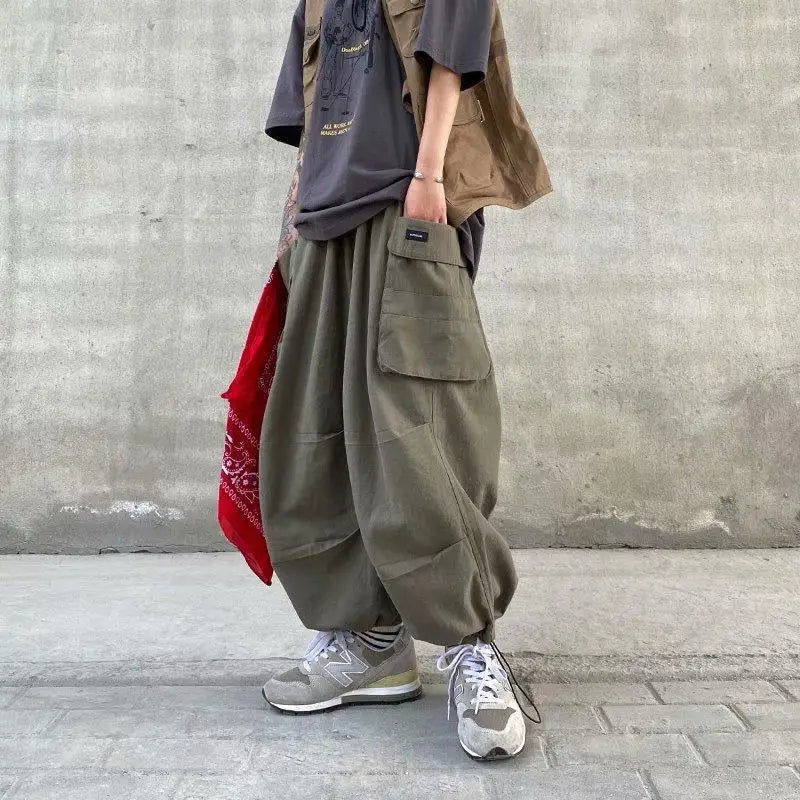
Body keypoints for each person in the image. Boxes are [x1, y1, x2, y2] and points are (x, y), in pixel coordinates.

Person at [257, 0, 551, 761]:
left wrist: (428, 176)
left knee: (422, 434)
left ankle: (470, 644)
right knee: (320, 436)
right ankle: (373, 642)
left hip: (410, 201)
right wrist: (292, 227)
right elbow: (313, 117)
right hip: (325, 223)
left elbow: (454, 55)